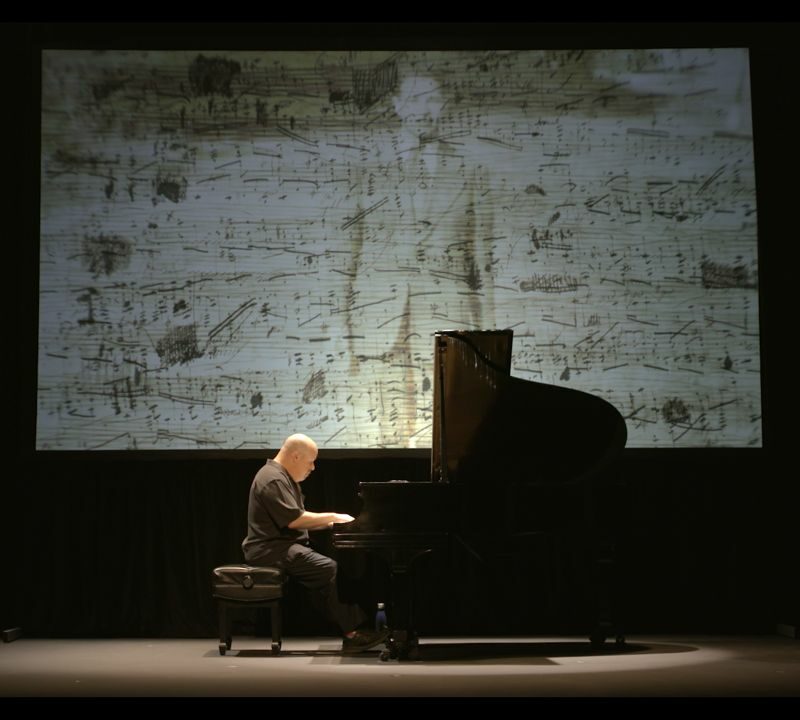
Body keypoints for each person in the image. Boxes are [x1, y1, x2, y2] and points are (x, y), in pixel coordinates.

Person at [241, 433, 389, 653]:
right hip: (268, 549)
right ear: (296, 456)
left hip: (282, 546)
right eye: (310, 462)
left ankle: (360, 626)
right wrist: (334, 517)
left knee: (335, 565)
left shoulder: (282, 476)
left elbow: (298, 520)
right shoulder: (272, 478)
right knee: (328, 568)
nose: (313, 468)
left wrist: (333, 525)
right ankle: (352, 634)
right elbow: (295, 519)